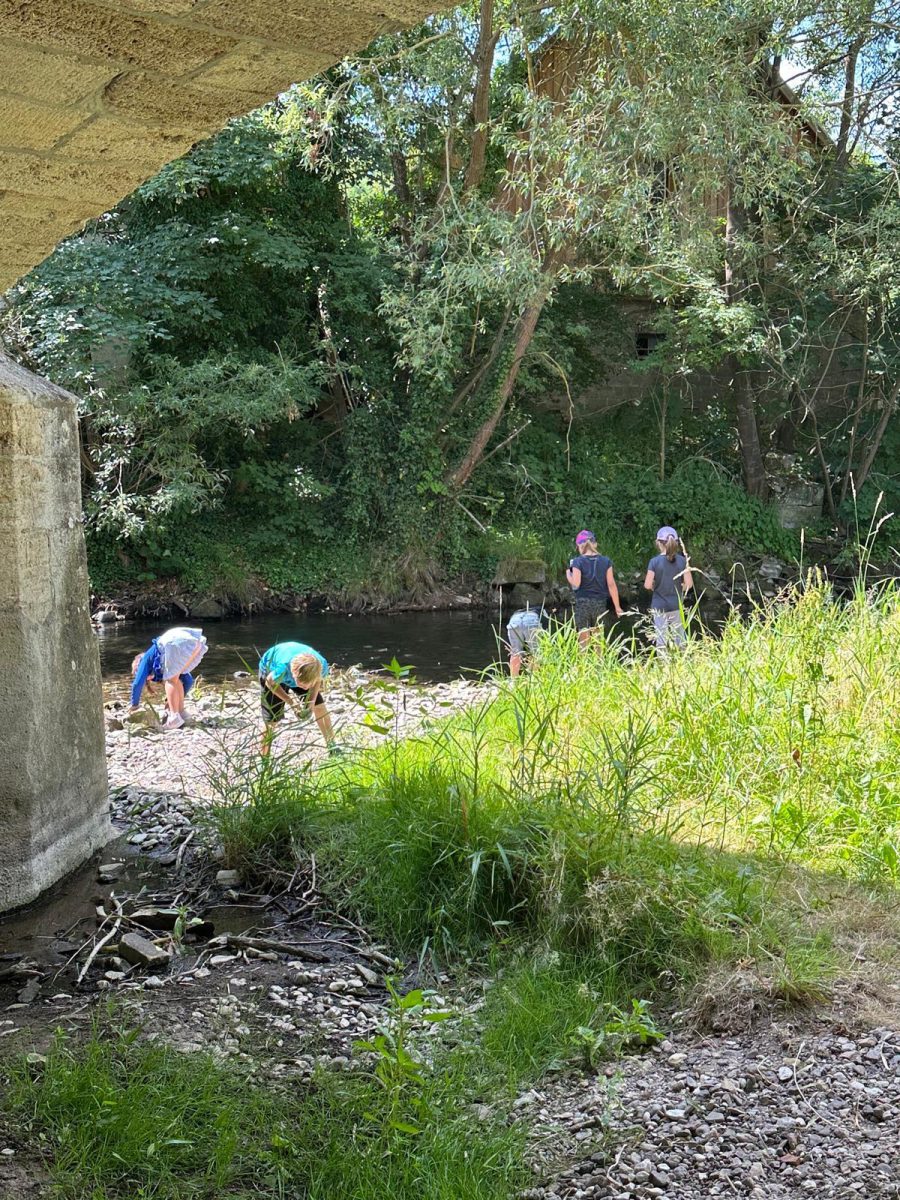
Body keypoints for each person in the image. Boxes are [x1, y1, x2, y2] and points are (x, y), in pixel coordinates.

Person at [258, 641, 335, 756]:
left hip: (305, 673)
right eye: (303, 685)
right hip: (271, 674)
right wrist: (291, 702)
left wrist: (311, 702)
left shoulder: (321, 666)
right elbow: (270, 682)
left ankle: (332, 747)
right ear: (293, 675)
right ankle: (264, 759)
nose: (306, 688)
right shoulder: (282, 668)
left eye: (309, 684)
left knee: (319, 707)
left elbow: (317, 681)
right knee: (271, 720)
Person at [130, 626, 208, 730]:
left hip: (176, 642)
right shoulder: (164, 660)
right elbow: (188, 681)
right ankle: (182, 713)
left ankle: (174, 717)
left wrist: (134, 705)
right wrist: (172, 701)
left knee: (170, 680)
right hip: (195, 642)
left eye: (138, 672)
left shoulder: (145, 658)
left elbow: (137, 684)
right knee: (175, 679)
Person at [566, 530, 624, 648]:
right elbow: (611, 585)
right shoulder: (606, 561)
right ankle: (599, 659)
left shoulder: (577, 561)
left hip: (583, 603)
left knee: (583, 642)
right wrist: (617, 607)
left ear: (580, 546)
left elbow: (576, 584)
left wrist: (568, 574)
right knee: (598, 640)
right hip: (600, 603)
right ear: (595, 544)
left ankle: (584, 659)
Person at [644, 525, 693, 654]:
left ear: (658, 543)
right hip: (676, 605)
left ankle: (663, 663)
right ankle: (682, 661)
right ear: (676, 543)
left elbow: (647, 585)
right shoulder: (683, 561)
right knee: (680, 639)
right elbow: (689, 584)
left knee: (661, 640)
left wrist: (655, 586)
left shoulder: (654, 562)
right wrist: (680, 587)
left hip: (659, 606)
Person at [505, 606, 544, 677]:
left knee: (515, 653)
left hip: (514, 620)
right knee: (535, 652)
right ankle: (535, 678)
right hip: (532, 620)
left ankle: (514, 679)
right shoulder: (543, 612)